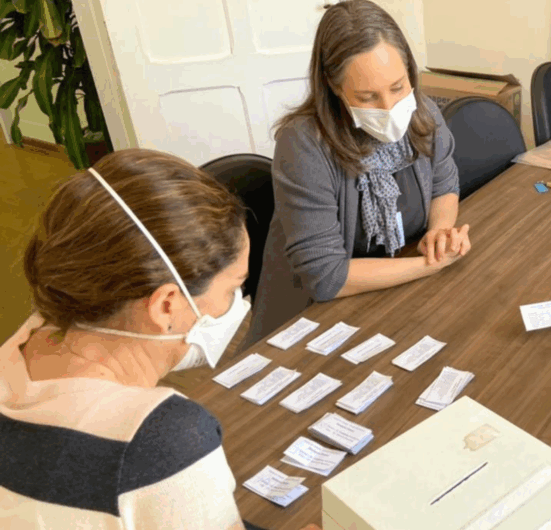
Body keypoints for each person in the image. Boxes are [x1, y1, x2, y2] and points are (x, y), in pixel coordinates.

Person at [0, 150, 319, 530]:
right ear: (167, 305)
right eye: (234, 287)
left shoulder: (27, 337)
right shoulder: (161, 439)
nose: (239, 304)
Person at [248, 0, 470, 345]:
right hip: (311, 320)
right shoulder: (304, 145)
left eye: (398, 87)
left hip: (391, 296)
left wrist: (440, 232)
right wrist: (432, 265)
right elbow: (326, 278)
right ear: (334, 86)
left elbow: (444, 182)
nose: (389, 107)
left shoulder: (422, 112)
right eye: (368, 96)